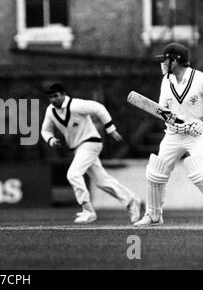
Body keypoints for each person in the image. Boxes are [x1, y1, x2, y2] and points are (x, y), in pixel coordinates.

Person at [41, 83, 141, 224]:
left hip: (90, 143)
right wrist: (51, 139)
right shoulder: (50, 111)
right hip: (78, 149)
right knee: (102, 181)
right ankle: (131, 200)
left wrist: (110, 129)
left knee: (73, 174)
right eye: (50, 97)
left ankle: (88, 210)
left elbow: (99, 108)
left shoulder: (76, 105)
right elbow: (45, 130)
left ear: (63, 94)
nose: (53, 100)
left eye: (56, 96)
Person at [134, 43, 203, 227]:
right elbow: (162, 110)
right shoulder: (166, 81)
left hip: (198, 134)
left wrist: (201, 122)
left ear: (175, 60)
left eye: (165, 59)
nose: (163, 63)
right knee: (156, 171)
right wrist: (171, 122)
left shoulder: (200, 79)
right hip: (173, 135)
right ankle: (153, 215)